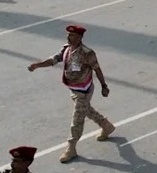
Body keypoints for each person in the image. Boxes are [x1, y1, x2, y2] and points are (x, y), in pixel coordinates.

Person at [27, 24, 115, 163]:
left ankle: (71, 148)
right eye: (68, 35)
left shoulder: (87, 53)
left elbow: (97, 70)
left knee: (77, 119)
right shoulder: (66, 49)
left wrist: (104, 86)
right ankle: (106, 125)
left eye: (72, 35)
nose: (68, 37)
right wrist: (38, 65)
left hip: (84, 91)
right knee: (85, 110)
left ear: (80, 37)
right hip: (73, 89)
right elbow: (54, 59)